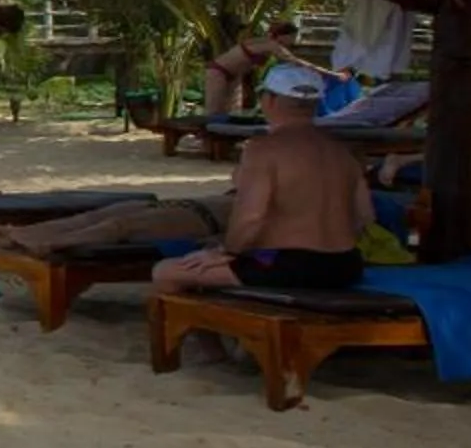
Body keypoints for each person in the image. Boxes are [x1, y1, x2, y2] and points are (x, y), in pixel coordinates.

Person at [153, 65, 370, 294]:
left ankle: (212, 328)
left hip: (287, 266)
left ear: (270, 100)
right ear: (315, 104)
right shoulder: (342, 151)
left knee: (166, 272)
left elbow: (251, 217)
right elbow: (364, 217)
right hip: (346, 264)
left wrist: (228, 253)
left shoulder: (263, 149)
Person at [0, 194, 234, 256]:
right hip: (186, 204)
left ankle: (49, 243)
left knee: (120, 225)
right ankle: (15, 232)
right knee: (98, 215)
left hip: (203, 220)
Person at [200, 19, 340, 125]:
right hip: (219, 71)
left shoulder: (269, 44)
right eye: (292, 37)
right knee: (214, 109)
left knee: (230, 111)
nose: (293, 41)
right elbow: (297, 62)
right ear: (283, 35)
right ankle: (207, 145)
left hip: (235, 75)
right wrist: (333, 74)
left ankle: (222, 145)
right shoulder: (270, 45)